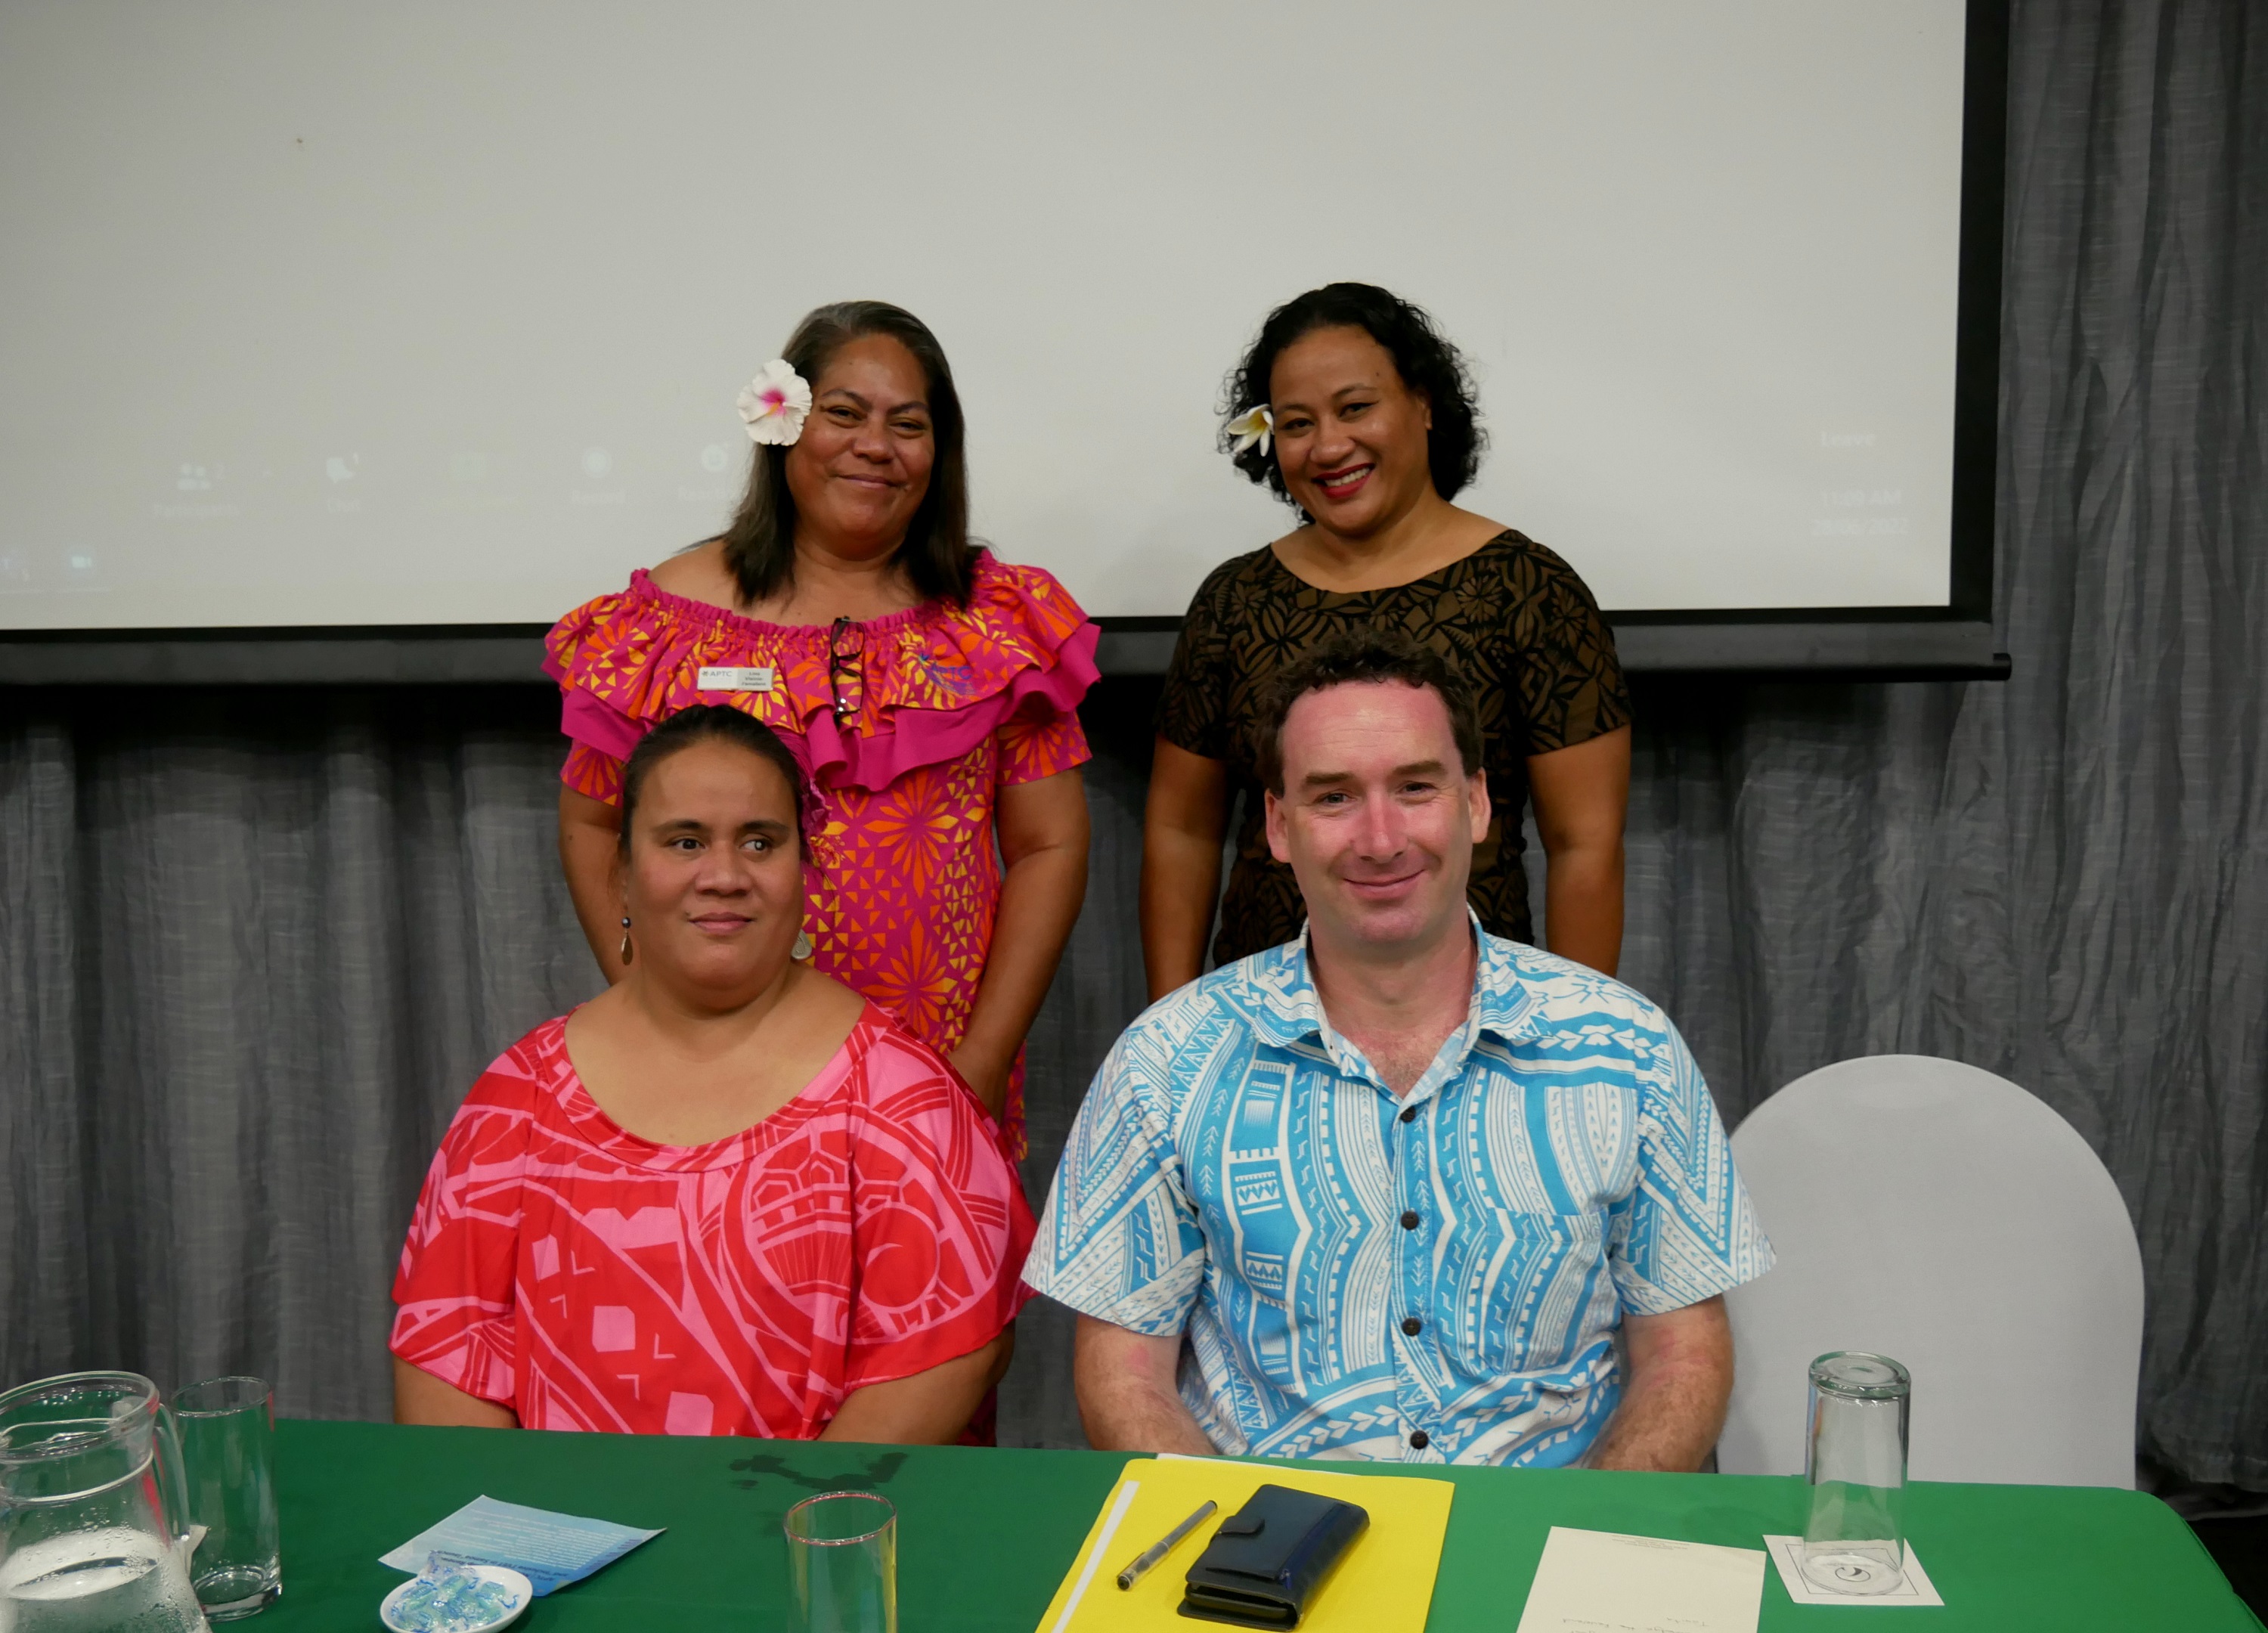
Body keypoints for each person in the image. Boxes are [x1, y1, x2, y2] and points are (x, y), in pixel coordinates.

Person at [1027, 631, 1771, 1468]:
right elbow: (1123, 1374)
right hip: (1266, 1562)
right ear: (1277, 824)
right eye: (1333, 798)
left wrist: (1577, 1534)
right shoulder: (1165, 1062)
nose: (1381, 839)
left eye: (1415, 788)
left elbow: (1686, 1354)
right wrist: (1233, 1553)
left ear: (1478, 804)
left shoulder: (1628, 1049)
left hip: (1548, 1547)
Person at [392, 706, 1033, 1442]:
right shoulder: (520, 1098)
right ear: (624, 874)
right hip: (550, 1549)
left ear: (804, 870)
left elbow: (946, 1357)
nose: (723, 875)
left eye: (759, 842)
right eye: (685, 841)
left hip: (800, 1542)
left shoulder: (903, 1100)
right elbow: (450, 1360)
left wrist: (768, 1545)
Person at [549, 300, 1096, 1159]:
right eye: (842, 414)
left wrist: (984, 1059)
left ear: (938, 450)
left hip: (936, 1077)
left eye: (906, 424)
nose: (874, 446)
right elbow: (590, 823)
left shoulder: (992, 623)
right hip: (714, 1068)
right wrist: (647, 1007)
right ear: (783, 427)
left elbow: (1050, 847)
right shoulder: (665, 621)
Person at [1143, 282, 1631, 1001]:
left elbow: (1584, 847)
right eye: (1297, 423)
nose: (1329, 445)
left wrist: (1573, 1041)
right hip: (1263, 1027)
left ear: (1426, 405)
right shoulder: (1234, 601)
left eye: (1356, 408)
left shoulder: (1531, 589)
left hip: (1473, 1026)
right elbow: (1181, 833)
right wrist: (1173, 1034)